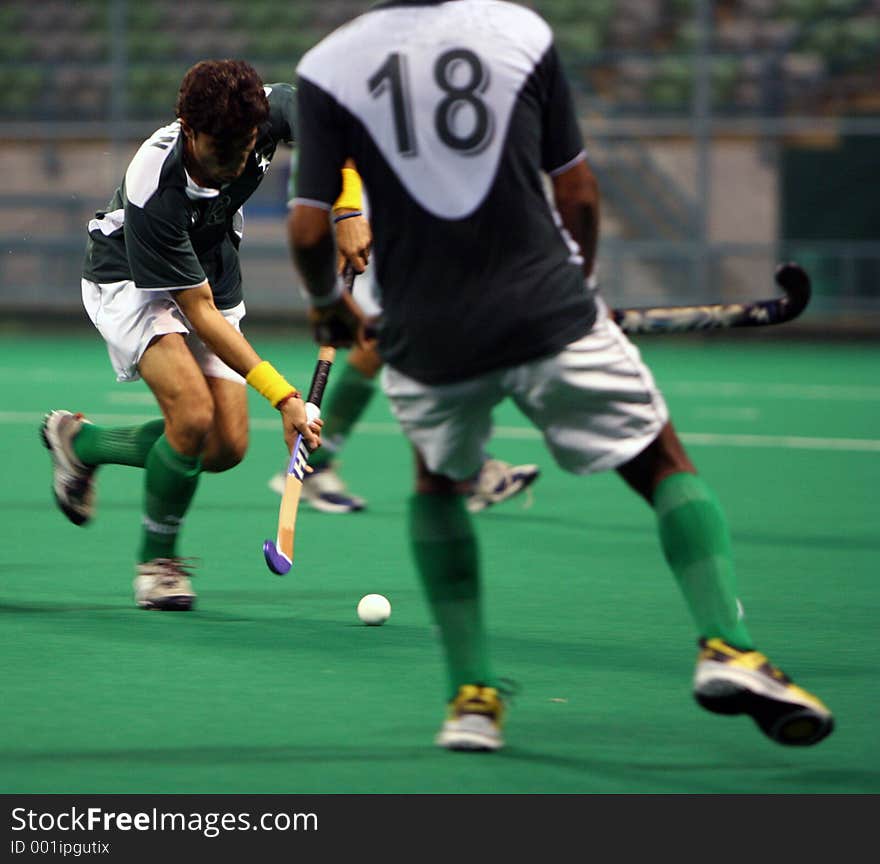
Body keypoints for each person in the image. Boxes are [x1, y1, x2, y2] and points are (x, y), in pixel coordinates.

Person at [287, 1, 834, 752]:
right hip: (547, 306)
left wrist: (327, 310)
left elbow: (310, 228)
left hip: (426, 329)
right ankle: (727, 645)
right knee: (662, 461)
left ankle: (471, 700)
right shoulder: (521, 31)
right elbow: (576, 191)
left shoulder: (326, 65)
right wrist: (585, 289)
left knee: (437, 484)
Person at [40, 60, 368, 611]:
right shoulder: (157, 185)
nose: (235, 164)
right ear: (189, 130)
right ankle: (157, 563)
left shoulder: (263, 112)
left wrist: (347, 206)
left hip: (210, 259)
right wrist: (286, 397)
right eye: (220, 152)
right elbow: (201, 315)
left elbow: (334, 130)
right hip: (131, 276)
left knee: (223, 447)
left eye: (244, 151)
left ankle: (82, 442)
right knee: (192, 416)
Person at [269, 154, 541, 514]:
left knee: (398, 339)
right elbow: (335, 140)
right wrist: (346, 213)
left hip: (384, 209)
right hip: (349, 209)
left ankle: (464, 467)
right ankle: (467, 469)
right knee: (388, 338)